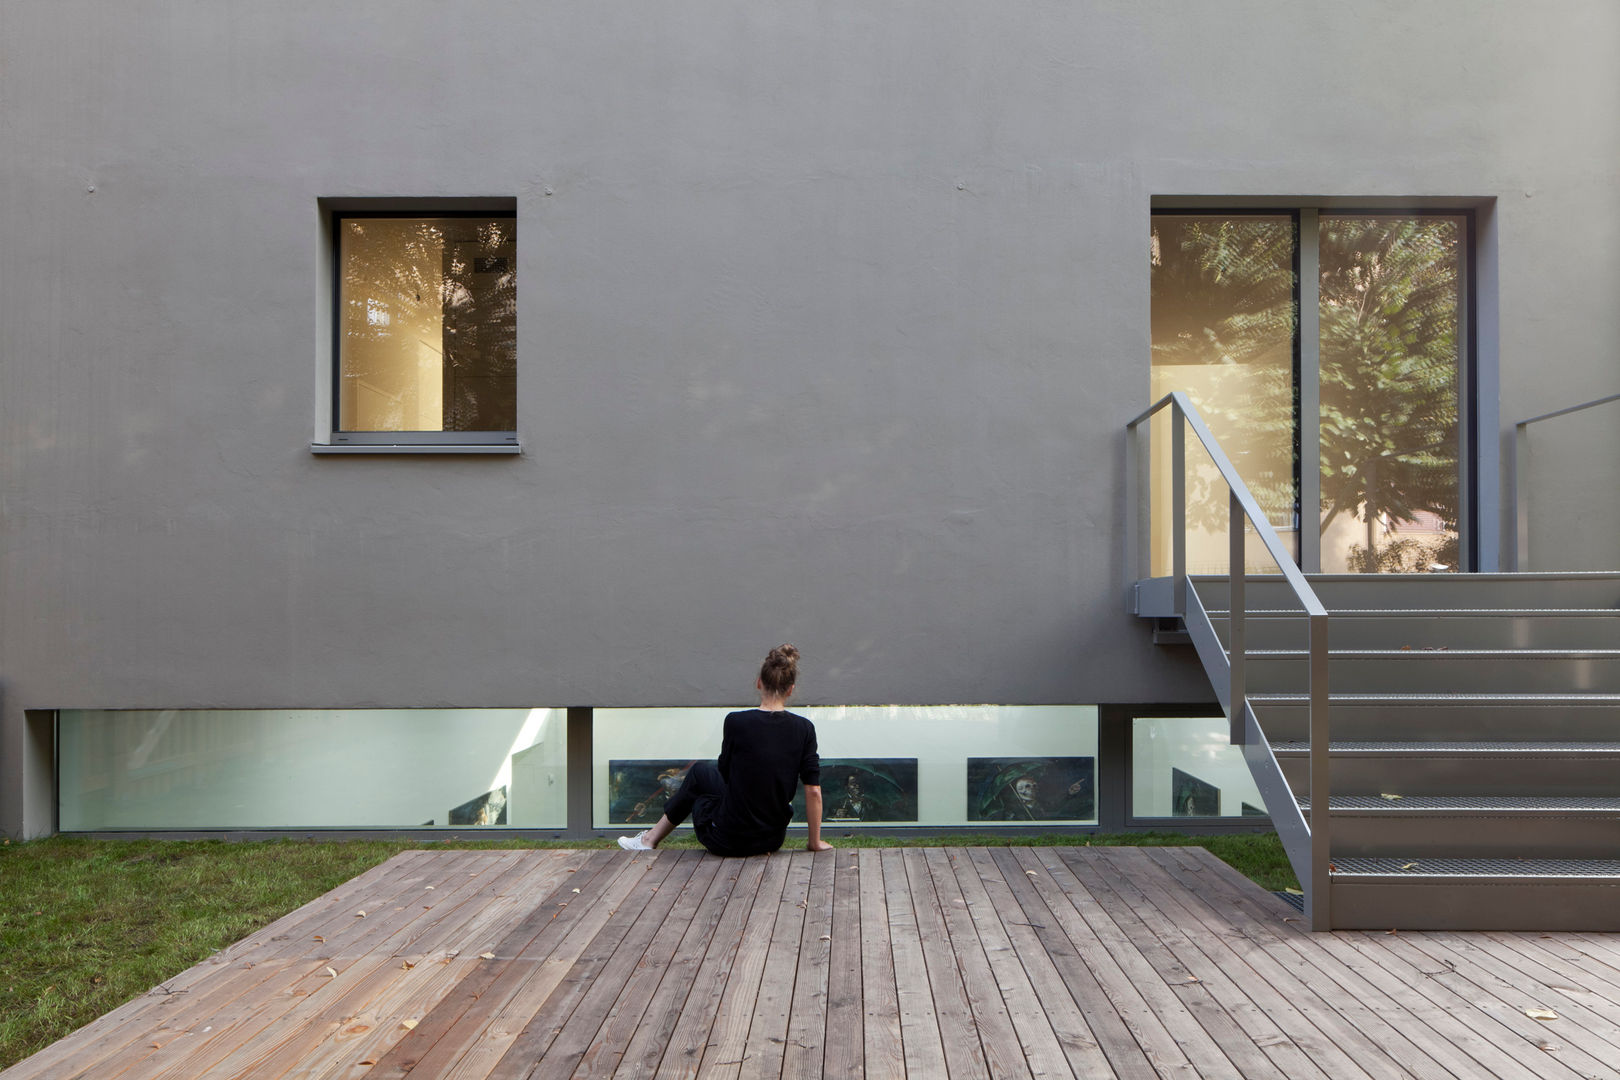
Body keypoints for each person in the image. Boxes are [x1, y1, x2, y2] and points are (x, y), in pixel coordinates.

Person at [618, 644, 833, 855]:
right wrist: (814, 842)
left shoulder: (736, 722)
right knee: (701, 772)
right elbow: (813, 789)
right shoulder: (804, 729)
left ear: (759, 683)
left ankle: (649, 840)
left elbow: (726, 771)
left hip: (726, 839)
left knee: (699, 784)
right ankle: (648, 840)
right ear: (790, 689)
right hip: (771, 840)